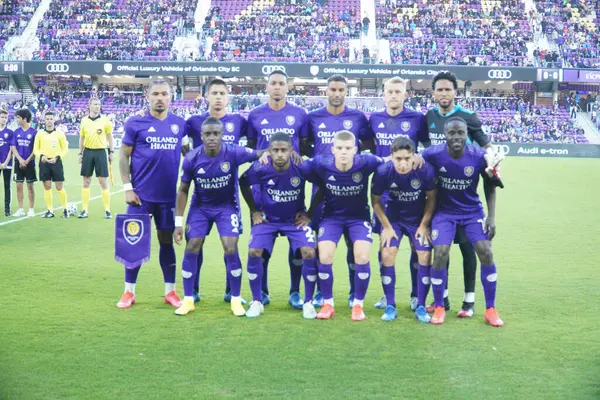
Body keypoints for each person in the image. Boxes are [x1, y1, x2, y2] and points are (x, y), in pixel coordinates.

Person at [173, 117, 267, 317]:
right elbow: (182, 191)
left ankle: (235, 299)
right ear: (201, 136)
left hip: (226, 207)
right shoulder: (191, 158)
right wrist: (178, 223)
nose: (212, 138)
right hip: (201, 207)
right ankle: (188, 300)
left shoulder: (233, 152)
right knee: (192, 246)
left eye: (216, 134)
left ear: (222, 135)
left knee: (230, 247)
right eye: (208, 134)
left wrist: (284, 152)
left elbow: (260, 153)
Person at [425, 71, 501, 318]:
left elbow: (485, 143)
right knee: (440, 252)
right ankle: (441, 302)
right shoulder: (430, 117)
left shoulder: (467, 117)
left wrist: (492, 160)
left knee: (472, 249)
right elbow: (420, 152)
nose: (444, 93)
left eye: (448, 89)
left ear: (455, 92)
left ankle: (472, 302)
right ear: (434, 92)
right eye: (440, 89)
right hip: (442, 202)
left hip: (468, 204)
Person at [116, 80, 188, 310]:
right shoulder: (135, 123)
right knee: (133, 244)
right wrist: (128, 188)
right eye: (155, 93)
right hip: (140, 198)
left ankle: (170, 292)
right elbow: (123, 156)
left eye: (164, 94)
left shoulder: (179, 125)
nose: (160, 98)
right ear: (148, 96)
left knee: (166, 244)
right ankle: (129, 292)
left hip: (168, 198)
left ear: (171, 97)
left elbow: (190, 154)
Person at [307, 74, 374, 307]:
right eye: (333, 89)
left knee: (353, 243)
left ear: (347, 92)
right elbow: (305, 144)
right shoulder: (313, 117)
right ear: (326, 91)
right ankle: (317, 292)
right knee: (316, 242)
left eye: (341, 90)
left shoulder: (357, 117)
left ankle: (353, 293)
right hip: (322, 189)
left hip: (351, 189)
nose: (337, 94)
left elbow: (369, 145)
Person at [239, 133, 320, 319]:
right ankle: (257, 301)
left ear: (292, 151)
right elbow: (243, 182)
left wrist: (309, 214)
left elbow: (322, 184)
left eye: (284, 150)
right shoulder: (260, 167)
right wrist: (254, 210)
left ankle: (308, 302)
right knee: (254, 251)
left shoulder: (302, 166)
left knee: (309, 251)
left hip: (294, 220)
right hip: (268, 220)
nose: (280, 154)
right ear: (269, 151)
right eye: (275, 150)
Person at [304, 130, 383, 321]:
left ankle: (357, 305)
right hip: (332, 218)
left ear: (355, 150)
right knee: (324, 255)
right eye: (339, 148)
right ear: (333, 150)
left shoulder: (367, 162)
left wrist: (415, 159)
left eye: (348, 148)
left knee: (362, 256)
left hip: (359, 218)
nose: (344, 152)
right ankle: (328, 303)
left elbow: (389, 161)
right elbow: (297, 165)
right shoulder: (321, 163)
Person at [246, 70, 308, 308]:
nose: (277, 87)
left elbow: (304, 147)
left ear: (287, 87)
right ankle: (261, 291)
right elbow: (254, 149)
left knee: (297, 245)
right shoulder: (255, 115)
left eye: (282, 84)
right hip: (264, 192)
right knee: (262, 245)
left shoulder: (299, 115)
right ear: (266, 86)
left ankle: (295, 292)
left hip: (293, 190)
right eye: (273, 83)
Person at [369, 77, 430, 312]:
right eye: (390, 91)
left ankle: (416, 295)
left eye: (398, 91)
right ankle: (387, 295)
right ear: (383, 95)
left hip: (412, 191)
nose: (393, 95)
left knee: (418, 248)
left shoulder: (416, 118)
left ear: (405, 95)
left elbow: (425, 146)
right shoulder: (374, 119)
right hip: (384, 190)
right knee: (384, 243)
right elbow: (367, 145)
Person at [184, 78, 248, 304]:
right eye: (214, 93)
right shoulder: (193, 122)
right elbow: (179, 142)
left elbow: (253, 145)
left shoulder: (238, 121)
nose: (219, 97)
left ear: (228, 96)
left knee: (230, 244)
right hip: (200, 197)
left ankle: (232, 290)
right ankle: (193, 289)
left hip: (229, 197)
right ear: (207, 96)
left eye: (222, 93)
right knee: (194, 242)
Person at [371, 136, 436, 322]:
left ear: (414, 156)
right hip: (393, 220)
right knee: (387, 253)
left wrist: (424, 225)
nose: (403, 163)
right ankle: (390, 305)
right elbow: (375, 201)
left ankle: (420, 304)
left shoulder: (424, 170)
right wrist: (387, 227)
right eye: (398, 159)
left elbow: (432, 199)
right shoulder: (383, 171)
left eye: (407, 158)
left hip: (416, 219)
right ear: (391, 157)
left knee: (424, 255)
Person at [78, 97, 114, 219]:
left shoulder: (105, 120)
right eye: (95, 104)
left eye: (98, 104)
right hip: (88, 151)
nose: (97, 106)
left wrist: (111, 151)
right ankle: (84, 210)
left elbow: (110, 136)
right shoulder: (84, 121)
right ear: (89, 105)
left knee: (103, 181)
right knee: (86, 181)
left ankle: (108, 210)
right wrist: (80, 153)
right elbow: (82, 138)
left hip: (100, 152)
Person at [33, 111, 68, 219]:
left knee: (59, 187)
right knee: (47, 186)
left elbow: (65, 149)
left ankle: (65, 209)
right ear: (44, 120)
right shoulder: (39, 134)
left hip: (56, 162)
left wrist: (57, 158)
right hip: (44, 163)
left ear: (54, 120)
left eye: (51, 119)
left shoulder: (60, 134)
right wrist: (41, 156)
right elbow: (35, 149)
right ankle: (50, 211)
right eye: (47, 119)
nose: (49, 121)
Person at [10, 108, 37, 217]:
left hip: (30, 163)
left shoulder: (34, 132)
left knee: (30, 187)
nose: (17, 120)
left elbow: (36, 150)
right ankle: (20, 209)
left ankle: (31, 209)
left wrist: (27, 160)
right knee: (19, 186)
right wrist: (20, 160)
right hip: (18, 163)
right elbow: (13, 147)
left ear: (24, 119)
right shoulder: (16, 132)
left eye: (18, 118)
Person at [0, 109, 13, 216]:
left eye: (5, 117)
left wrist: (5, 162)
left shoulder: (10, 133)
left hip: (7, 164)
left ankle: (7, 209)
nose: (3, 119)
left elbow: (11, 150)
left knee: (7, 186)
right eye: (2, 117)